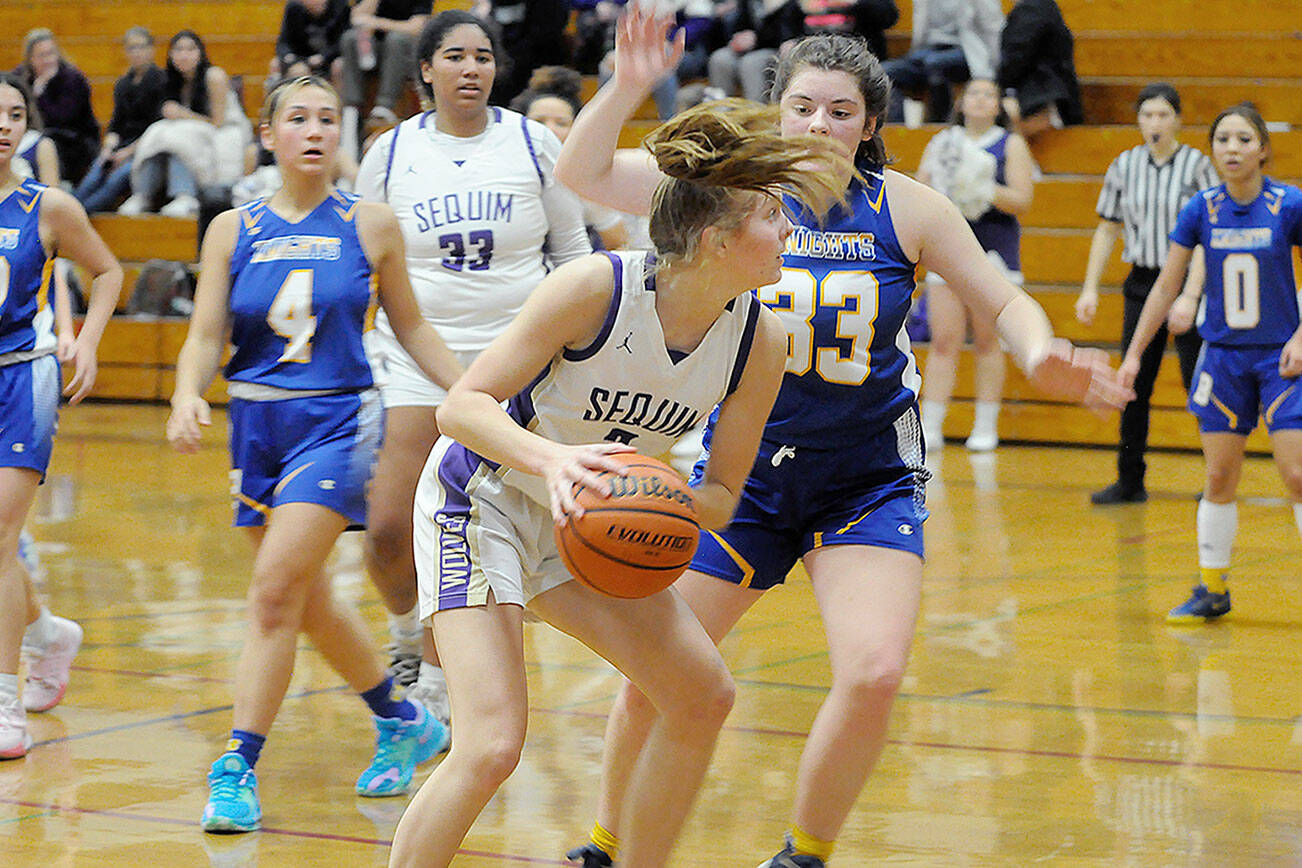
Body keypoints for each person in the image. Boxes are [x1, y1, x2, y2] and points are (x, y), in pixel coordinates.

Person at [554, 12, 1130, 868]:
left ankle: (802, 854)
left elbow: (1001, 298)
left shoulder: (908, 208)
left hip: (866, 478)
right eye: (802, 107)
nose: (817, 125)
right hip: (739, 478)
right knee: (660, 678)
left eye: (838, 111)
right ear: (777, 112)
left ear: (869, 125)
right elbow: (585, 170)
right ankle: (605, 841)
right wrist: (630, 84)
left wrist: (1040, 350)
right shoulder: (730, 191)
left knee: (873, 672)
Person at [386, 84, 848, 868]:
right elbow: (461, 409)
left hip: (589, 524)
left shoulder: (759, 342)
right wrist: (559, 462)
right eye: (771, 216)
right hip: (485, 502)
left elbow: (722, 496)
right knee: (493, 745)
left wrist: (667, 500)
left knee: (703, 694)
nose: (787, 229)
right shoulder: (596, 288)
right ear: (715, 240)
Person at [166, 75, 464, 832]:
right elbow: (205, 334)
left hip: (338, 423)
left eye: (327, 119)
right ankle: (401, 719)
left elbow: (413, 328)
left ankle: (236, 761)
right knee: (305, 601)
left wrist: (472, 392)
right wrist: (185, 392)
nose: (314, 130)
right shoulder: (232, 228)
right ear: (268, 135)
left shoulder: (371, 224)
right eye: (296, 118)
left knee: (272, 594)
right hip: (254, 428)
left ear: (342, 134)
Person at [355, 10, 591, 723]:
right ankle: (406, 632)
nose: (470, 68)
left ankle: (439, 671)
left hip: (515, 361)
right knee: (390, 528)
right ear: (424, 69)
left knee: (480, 528)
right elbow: (360, 258)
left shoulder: (532, 143)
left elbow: (574, 250)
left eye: (482, 56)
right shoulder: (389, 154)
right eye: (454, 56)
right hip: (414, 356)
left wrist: (576, 344)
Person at [1116, 103, 1302, 624]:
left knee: (1297, 474)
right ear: (1213, 149)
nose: (1233, 149)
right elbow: (1166, 286)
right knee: (1219, 476)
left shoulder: (1289, 204)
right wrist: (1133, 357)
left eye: (1245, 139)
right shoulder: (1201, 208)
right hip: (1222, 360)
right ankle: (1213, 587)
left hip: (1280, 360)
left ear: (1263, 149)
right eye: (1223, 140)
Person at [0, 72, 123, 758]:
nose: (5, 124)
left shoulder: (47, 206)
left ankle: (6, 702)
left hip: (25, 377)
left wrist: (91, 341)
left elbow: (108, 271)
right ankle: (47, 635)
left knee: (1, 536)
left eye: (15, 113)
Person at [1077, 83, 1218, 504]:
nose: (1154, 123)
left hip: (1192, 283)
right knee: (1133, 380)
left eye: (1162, 115)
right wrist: (1089, 289)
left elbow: (1211, 232)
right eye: (1147, 115)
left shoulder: (1197, 165)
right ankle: (1130, 478)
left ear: (1177, 119)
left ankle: (1216, 477)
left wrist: (1192, 294)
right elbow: (1107, 227)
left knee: (1199, 382)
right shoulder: (1124, 165)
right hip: (1142, 282)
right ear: (1138, 120)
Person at [917, 77, 1034, 454]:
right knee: (943, 340)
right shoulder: (943, 142)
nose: (982, 100)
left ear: (998, 105)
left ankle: (986, 426)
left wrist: (983, 186)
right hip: (948, 252)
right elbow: (922, 189)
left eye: (990, 95)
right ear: (962, 102)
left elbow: (1022, 199)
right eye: (974, 93)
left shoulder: (1010, 143)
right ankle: (930, 426)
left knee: (987, 340)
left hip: (994, 253)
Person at [122, 30, 252, 217]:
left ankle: (185, 194)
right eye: (178, 50)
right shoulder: (172, 81)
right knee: (157, 131)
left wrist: (183, 114)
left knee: (178, 137)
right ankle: (143, 194)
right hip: (193, 130)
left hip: (226, 131)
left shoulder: (214, 76)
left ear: (200, 53)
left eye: (190, 50)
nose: (184, 55)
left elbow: (218, 122)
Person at [511, 66, 630, 251]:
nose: (549, 130)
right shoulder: (506, 171)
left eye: (561, 123)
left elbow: (619, 243)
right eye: (539, 122)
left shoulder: (586, 178)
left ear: (577, 129)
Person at [73, 27, 167, 214]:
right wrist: (108, 149)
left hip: (147, 149)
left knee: (115, 180)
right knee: (94, 175)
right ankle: (70, 212)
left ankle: (76, 216)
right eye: (132, 48)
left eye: (141, 47)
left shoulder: (162, 81)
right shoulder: (123, 83)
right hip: (120, 148)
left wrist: (125, 154)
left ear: (151, 49)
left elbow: (158, 128)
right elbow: (116, 124)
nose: (137, 53)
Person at [881, 0, 1002, 124]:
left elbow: (993, 28)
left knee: (934, 64)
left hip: (967, 52)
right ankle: (897, 129)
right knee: (886, 72)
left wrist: (994, 69)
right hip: (928, 50)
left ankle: (938, 125)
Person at [340, 0, 431, 156]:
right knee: (350, 38)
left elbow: (416, 27)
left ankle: (385, 106)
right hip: (376, 51)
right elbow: (357, 18)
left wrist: (378, 23)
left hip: (407, 51)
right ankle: (351, 108)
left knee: (396, 39)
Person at [12, 29, 100, 185]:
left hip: (73, 141)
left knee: (46, 143)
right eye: (41, 55)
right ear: (30, 59)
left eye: (51, 53)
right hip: (34, 135)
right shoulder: (21, 77)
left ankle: (54, 186)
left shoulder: (73, 79)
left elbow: (62, 118)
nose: (48, 60)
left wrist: (39, 93)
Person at [997, 0, 1083, 138]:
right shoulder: (1044, 6)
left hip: (1037, 98)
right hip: (1047, 92)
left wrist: (999, 86)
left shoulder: (1032, 8)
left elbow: (1016, 55)